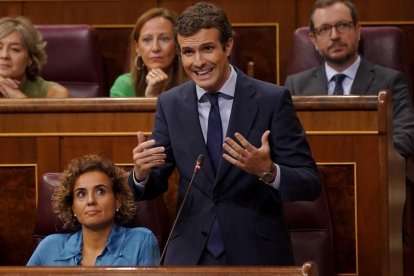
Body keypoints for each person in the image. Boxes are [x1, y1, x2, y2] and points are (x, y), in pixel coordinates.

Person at [129, 1, 320, 266]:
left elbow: (309, 183)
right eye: (188, 52)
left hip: (256, 251)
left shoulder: (271, 100)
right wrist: (141, 173)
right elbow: (153, 184)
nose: (198, 62)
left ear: (228, 45)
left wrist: (268, 171)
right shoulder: (170, 104)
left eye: (207, 49)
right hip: (190, 253)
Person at [284, 0, 414, 158]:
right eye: (324, 29)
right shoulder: (296, 85)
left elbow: (407, 137)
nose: (334, 36)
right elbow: (286, 139)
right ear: (313, 39)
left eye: (342, 25)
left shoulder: (391, 81)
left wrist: (355, 156)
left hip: (371, 173)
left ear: (358, 30)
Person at [27, 154, 159, 266]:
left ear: (118, 200)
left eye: (100, 191)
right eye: (81, 194)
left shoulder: (141, 241)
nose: (90, 200)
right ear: (73, 207)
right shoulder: (49, 246)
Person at [110, 8, 187, 98]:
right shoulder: (125, 85)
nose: (155, 48)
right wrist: (151, 98)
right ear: (137, 47)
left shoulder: (194, 84)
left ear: (178, 44)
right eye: (147, 40)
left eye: (164, 39)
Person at [0, 16, 69, 98]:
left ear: (30, 59)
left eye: (15, 49)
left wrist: (20, 100)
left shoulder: (55, 94)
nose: (4, 55)